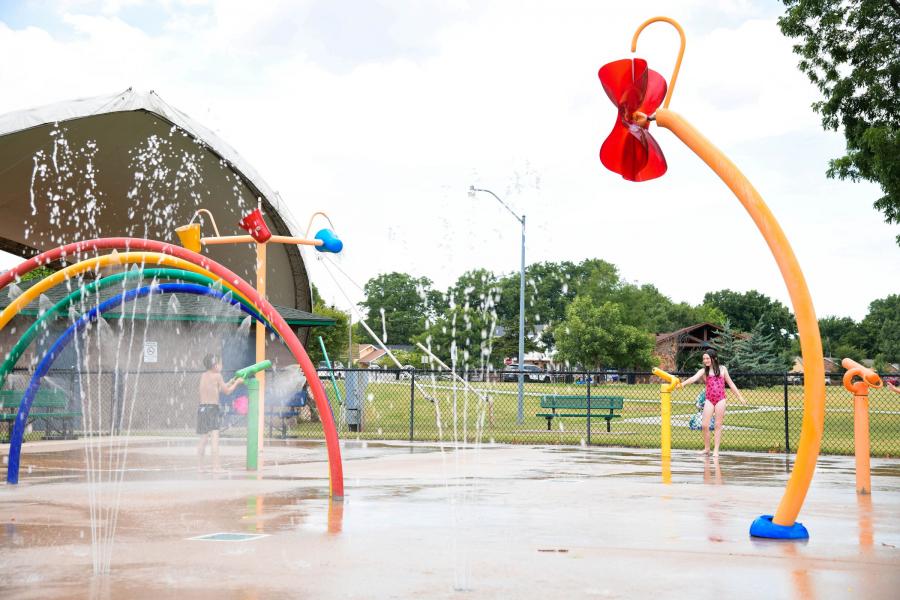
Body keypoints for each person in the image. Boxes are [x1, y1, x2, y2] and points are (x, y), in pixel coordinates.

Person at [678, 349, 746, 457]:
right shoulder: (704, 371)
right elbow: (693, 378)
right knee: (705, 425)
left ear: (714, 358)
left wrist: (740, 397)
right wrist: (682, 384)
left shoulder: (723, 369)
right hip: (709, 399)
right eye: (704, 359)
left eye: (707, 358)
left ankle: (716, 450)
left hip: (720, 399)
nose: (705, 360)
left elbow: (731, 384)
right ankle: (707, 449)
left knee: (718, 425)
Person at [197, 354, 242, 471]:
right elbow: (226, 392)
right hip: (212, 409)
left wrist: (231, 381)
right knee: (215, 439)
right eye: (220, 363)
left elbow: (218, 388)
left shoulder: (204, 375)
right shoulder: (217, 376)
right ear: (214, 365)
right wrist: (237, 383)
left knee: (203, 439)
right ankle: (216, 467)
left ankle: (200, 467)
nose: (221, 365)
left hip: (202, 409)